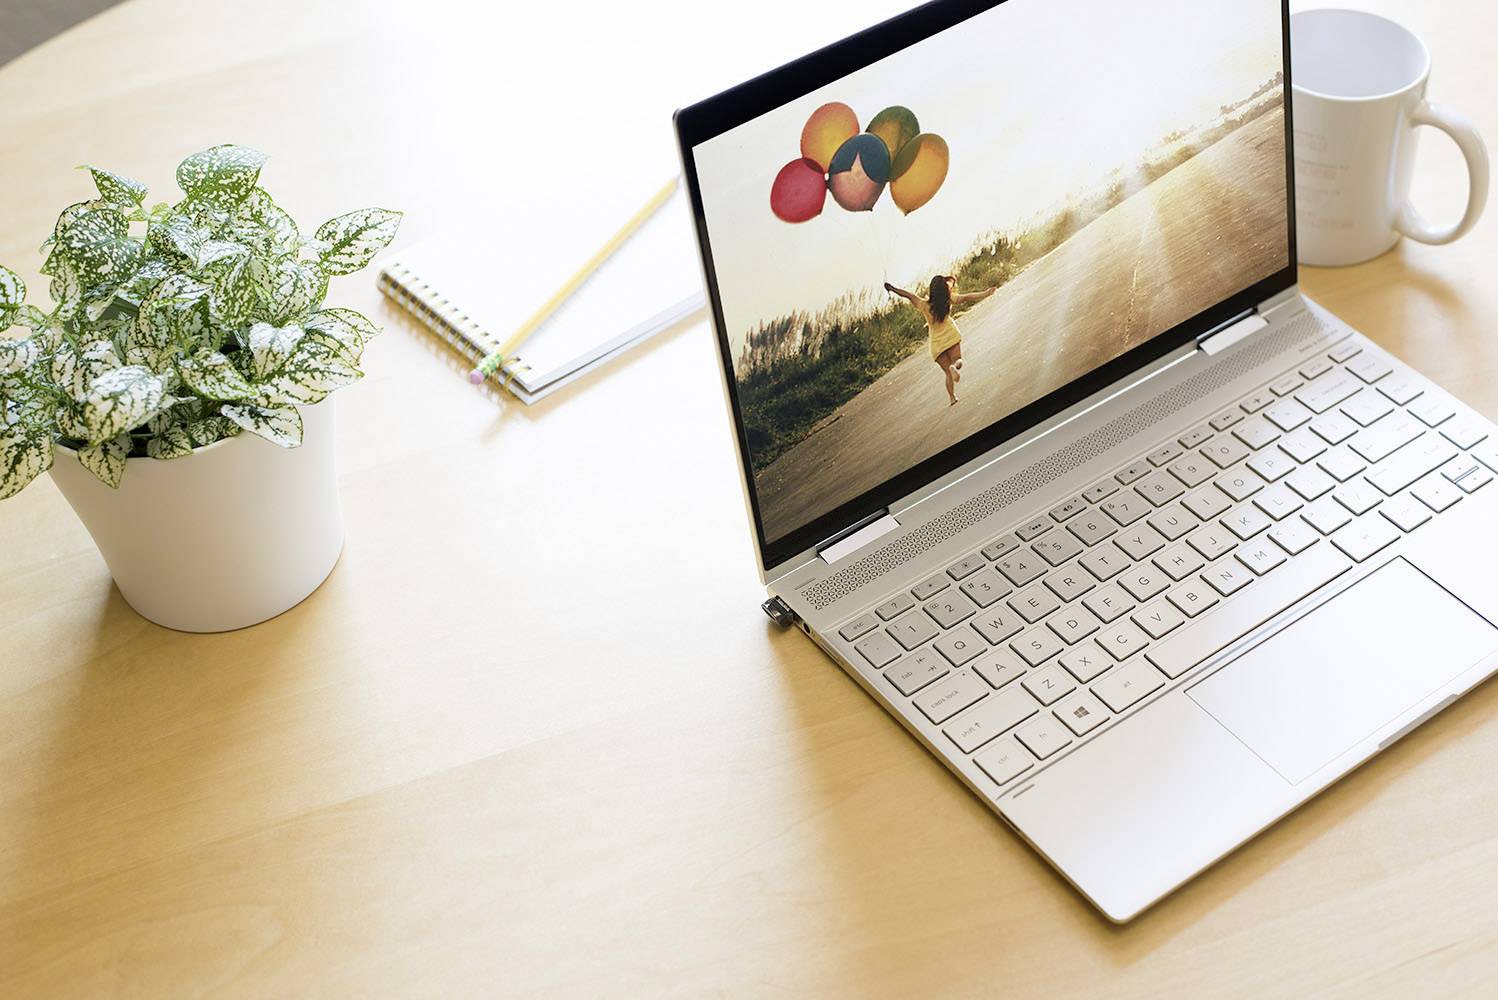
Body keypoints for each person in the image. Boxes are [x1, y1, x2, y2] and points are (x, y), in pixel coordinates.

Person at [884, 275, 996, 406]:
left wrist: (892, 288)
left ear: (932, 290)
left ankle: (952, 398)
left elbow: (908, 295)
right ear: (944, 289)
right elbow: (967, 297)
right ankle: (955, 366)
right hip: (951, 336)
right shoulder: (949, 299)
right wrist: (985, 293)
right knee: (958, 360)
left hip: (937, 345)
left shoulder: (924, 305)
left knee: (948, 374)